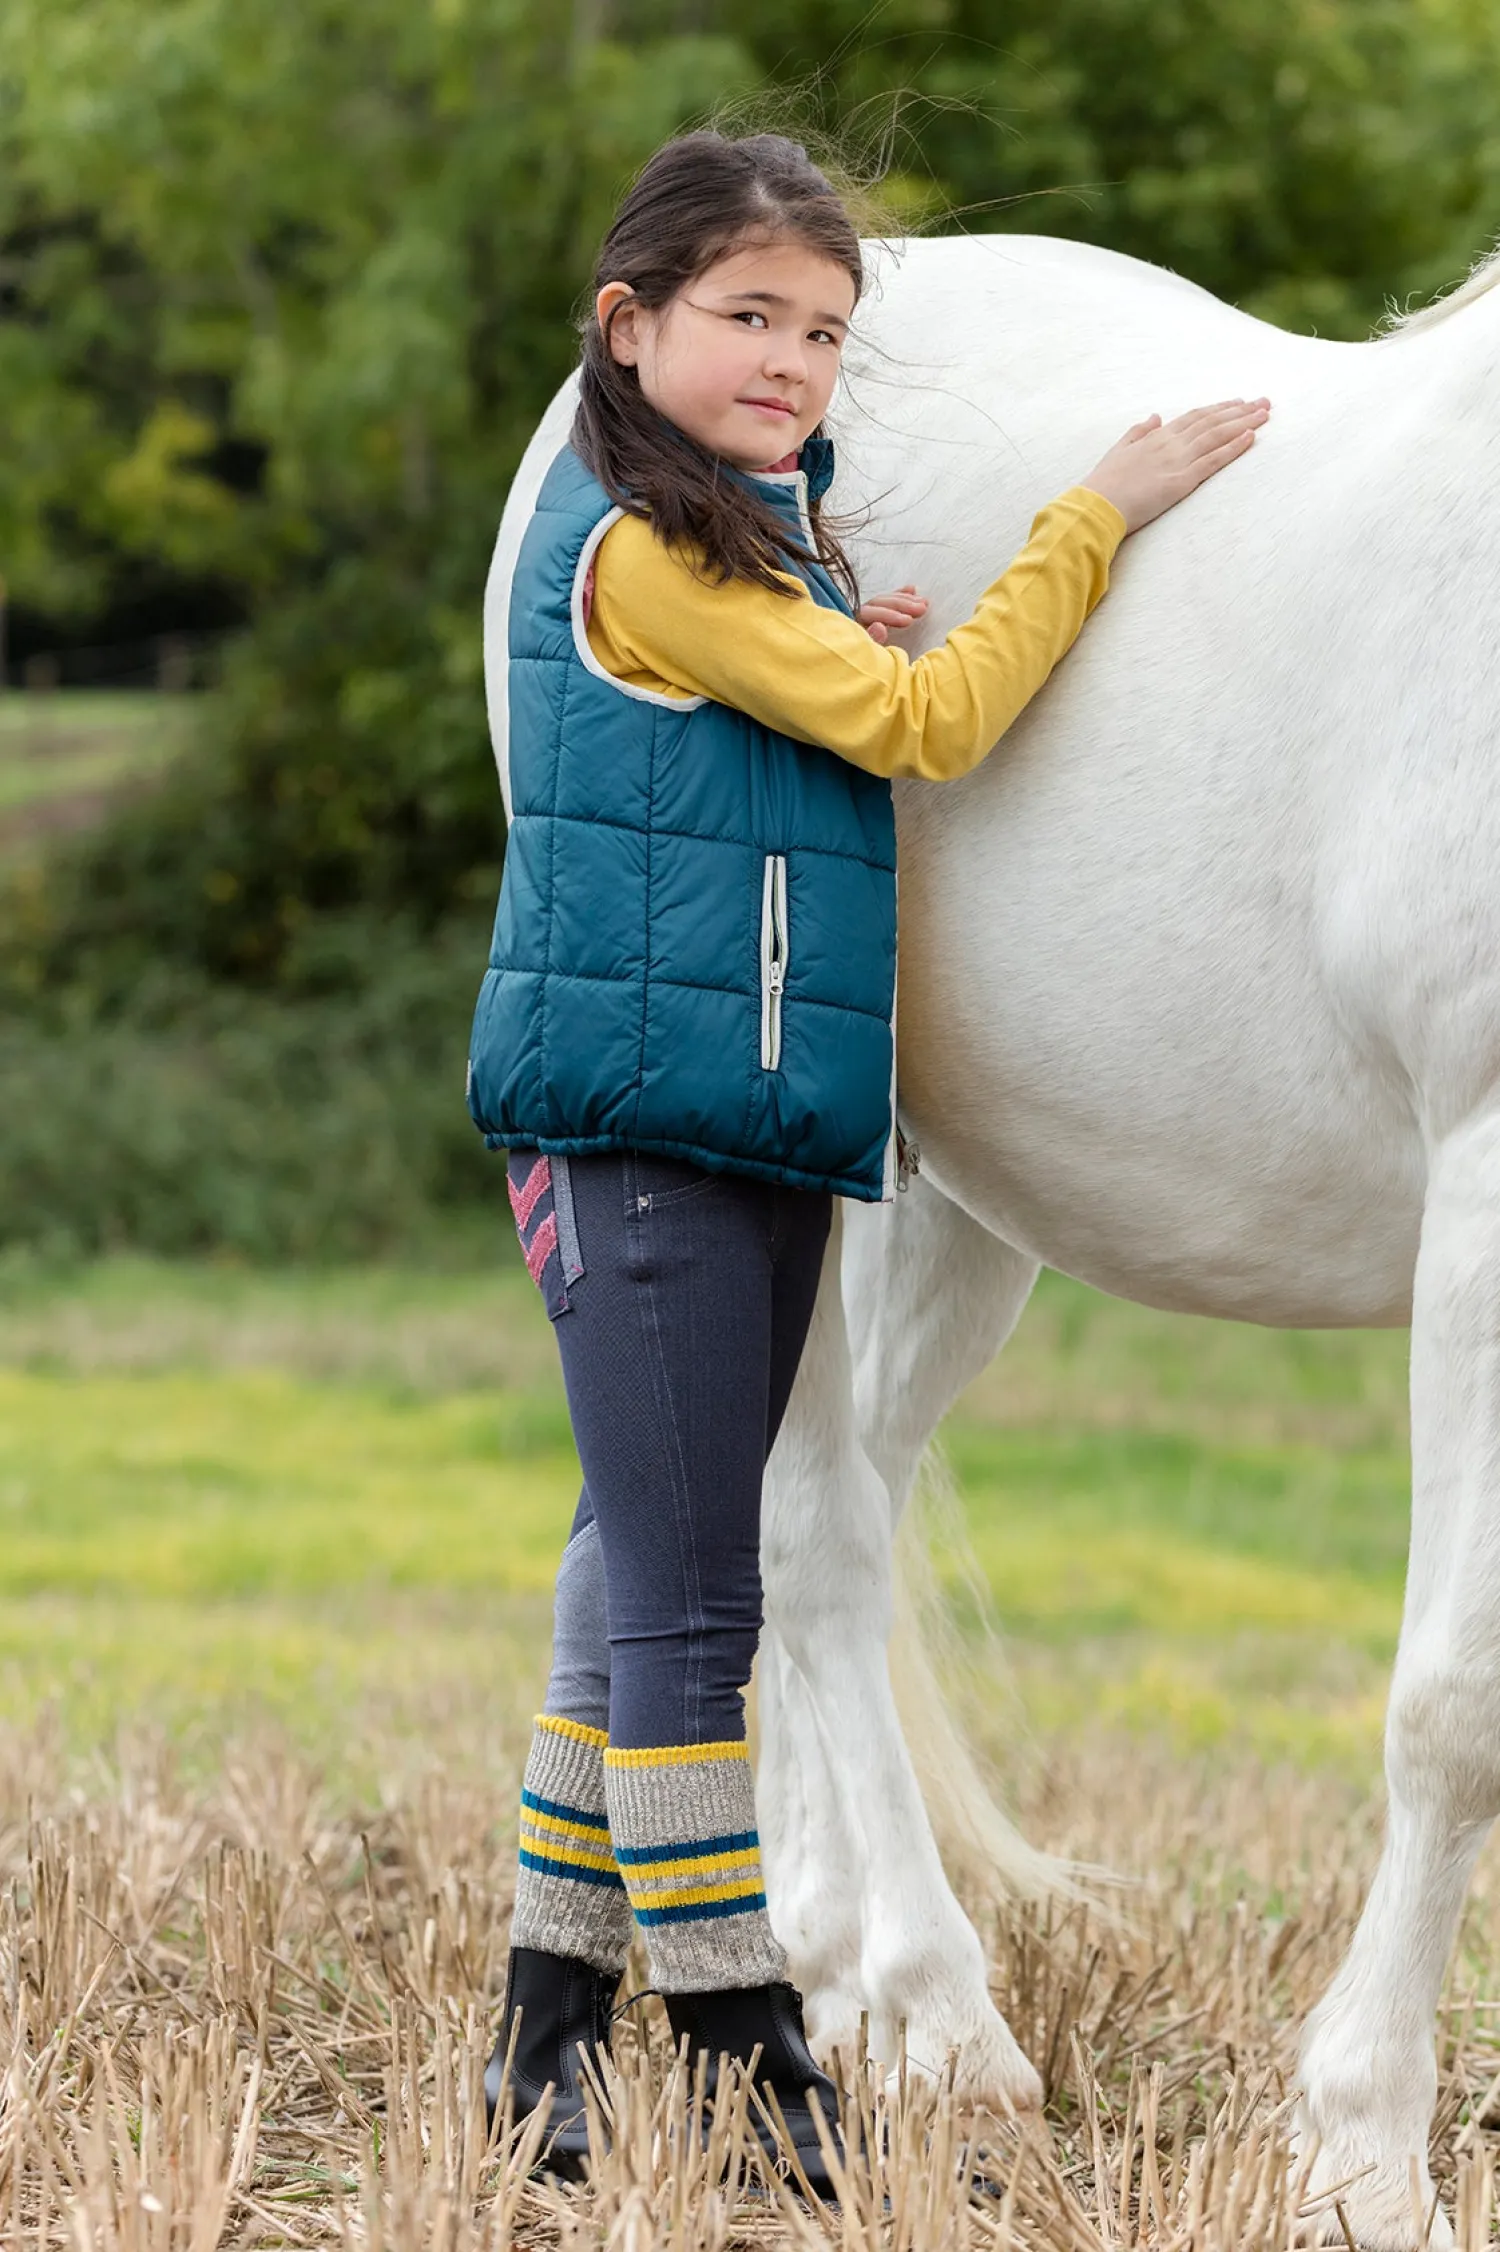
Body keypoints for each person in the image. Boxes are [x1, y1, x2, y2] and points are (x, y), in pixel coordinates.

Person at [465, 127, 1269, 2191]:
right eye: (749, 316)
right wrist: (1093, 517)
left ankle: (544, 2030)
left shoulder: (730, 550)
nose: (793, 361)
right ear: (626, 326)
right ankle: (741, 2043)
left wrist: (833, 607)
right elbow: (928, 724)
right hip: (644, 1140)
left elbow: (761, 729)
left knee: (628, 1578)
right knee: (691, 1613)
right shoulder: (652, 556)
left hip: (736, 1129)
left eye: (824, 331)